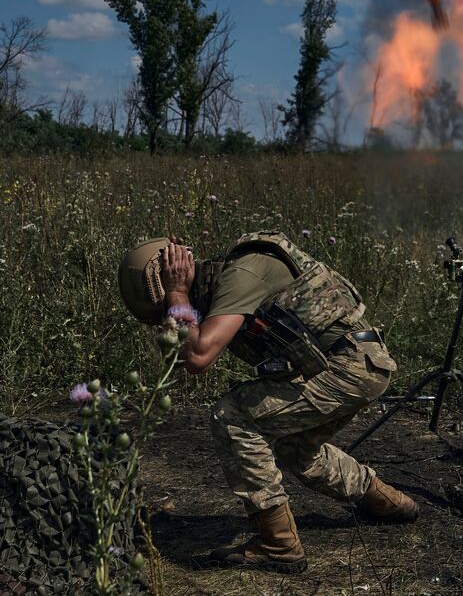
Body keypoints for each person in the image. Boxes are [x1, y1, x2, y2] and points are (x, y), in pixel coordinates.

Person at [118, 231, 419, 574]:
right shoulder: (227, 284)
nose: (171, 317)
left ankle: (278, 543)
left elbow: (198, 357)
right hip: (350, 365)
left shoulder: (240, 274)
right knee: (298, 451)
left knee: (232, 415)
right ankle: (390, 503)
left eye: (166, 312)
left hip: (349, 365)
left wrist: (175, 292)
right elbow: (186, 355)